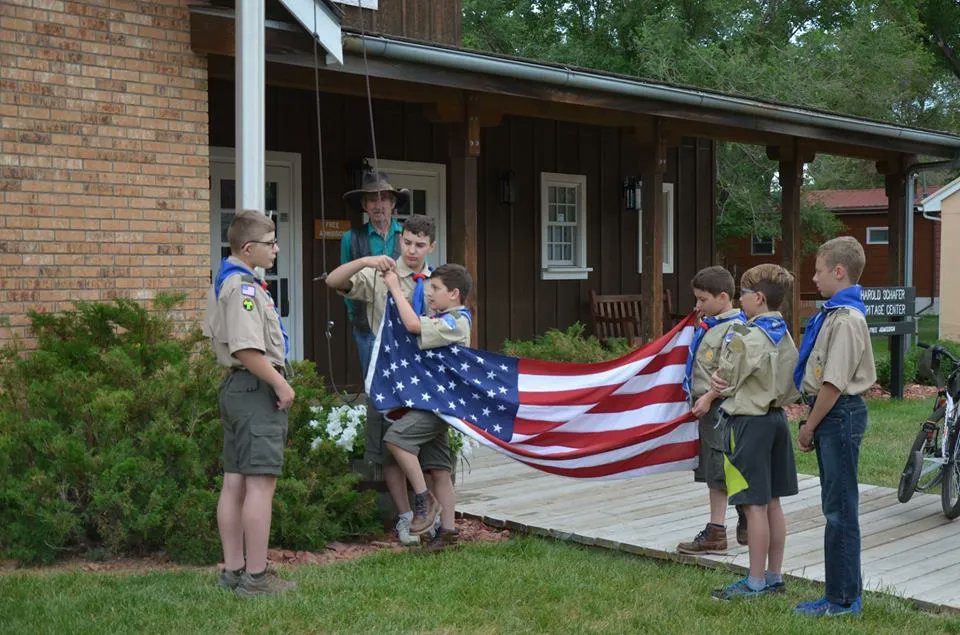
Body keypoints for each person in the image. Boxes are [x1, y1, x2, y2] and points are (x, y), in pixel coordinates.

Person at [326, 214, 437, 546]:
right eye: (408, 242)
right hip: (387, 377)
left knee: (424, 449)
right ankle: (406, 516)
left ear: (432, 246)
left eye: (420, 244)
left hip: (423, 379)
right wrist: (365, 260)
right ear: (400, 240)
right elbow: (334, 281)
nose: (413, 250)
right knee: (387, 448)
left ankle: (433, 515)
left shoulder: (438, 282)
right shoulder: (380, 275)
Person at [203, 210, 297, 597]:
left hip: (238, 391)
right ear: (248, 247)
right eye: (270, 243)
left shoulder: (231, 281)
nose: (276, 249)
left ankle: (234, 570)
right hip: (254, 389)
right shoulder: (242, 288)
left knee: (236, 482)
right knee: (259, 485)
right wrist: (281, 384)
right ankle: (255, 578)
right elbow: (246, 349)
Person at [793, 236, 875, 617]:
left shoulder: (846, 320)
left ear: (838, 271)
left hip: (837, 414)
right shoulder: (835, 314)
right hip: (833, 413)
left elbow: (833, 383)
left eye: (819, 269)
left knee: (840, 510)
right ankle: (841, 594)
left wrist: (809, 425)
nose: (815, 277)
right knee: (836, 507)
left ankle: (842, 601)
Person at [709, 263, 800, 600]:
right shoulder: (786, 333)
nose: (739, 300)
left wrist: (720, 380)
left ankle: (755, 582)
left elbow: (725, 379)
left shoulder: (744, 336)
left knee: (754, 506)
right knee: (773, 503)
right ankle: (775, 576)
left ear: (758, 298)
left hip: (749, 422)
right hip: (777, 420)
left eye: (743, 295)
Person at [381, 263, 474, 552]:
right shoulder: (445, 317)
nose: (429, 293)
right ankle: (448, 534)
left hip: (437, 405)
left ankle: (425, 499)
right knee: (440, 471)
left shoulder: (457, 321)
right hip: (434, 402)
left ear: (454, 293)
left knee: (396, 439)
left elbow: (412, 325)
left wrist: (396, 288)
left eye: (435, 289)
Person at [676, 266, 747, 555]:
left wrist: (707, 398)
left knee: (720, 470)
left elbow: (731, 372)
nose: (697, 306)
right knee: (714, 469)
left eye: (702, 300)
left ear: (723, 297)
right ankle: (741, 520)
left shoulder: (736, 329)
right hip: (708, 410)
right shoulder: (709, 324)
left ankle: (719, 531)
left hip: (721, 408)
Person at [340, 170, 407, 375]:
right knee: (373, 384)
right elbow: (343, 281)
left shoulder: (407, 235)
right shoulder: (350, 238)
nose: (379, 205)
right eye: (372, 200)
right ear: (364, 206)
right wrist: (356, 315)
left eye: (384, 198)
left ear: (393, 203)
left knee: (404, 382)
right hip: (366, 328)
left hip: (403, 324)